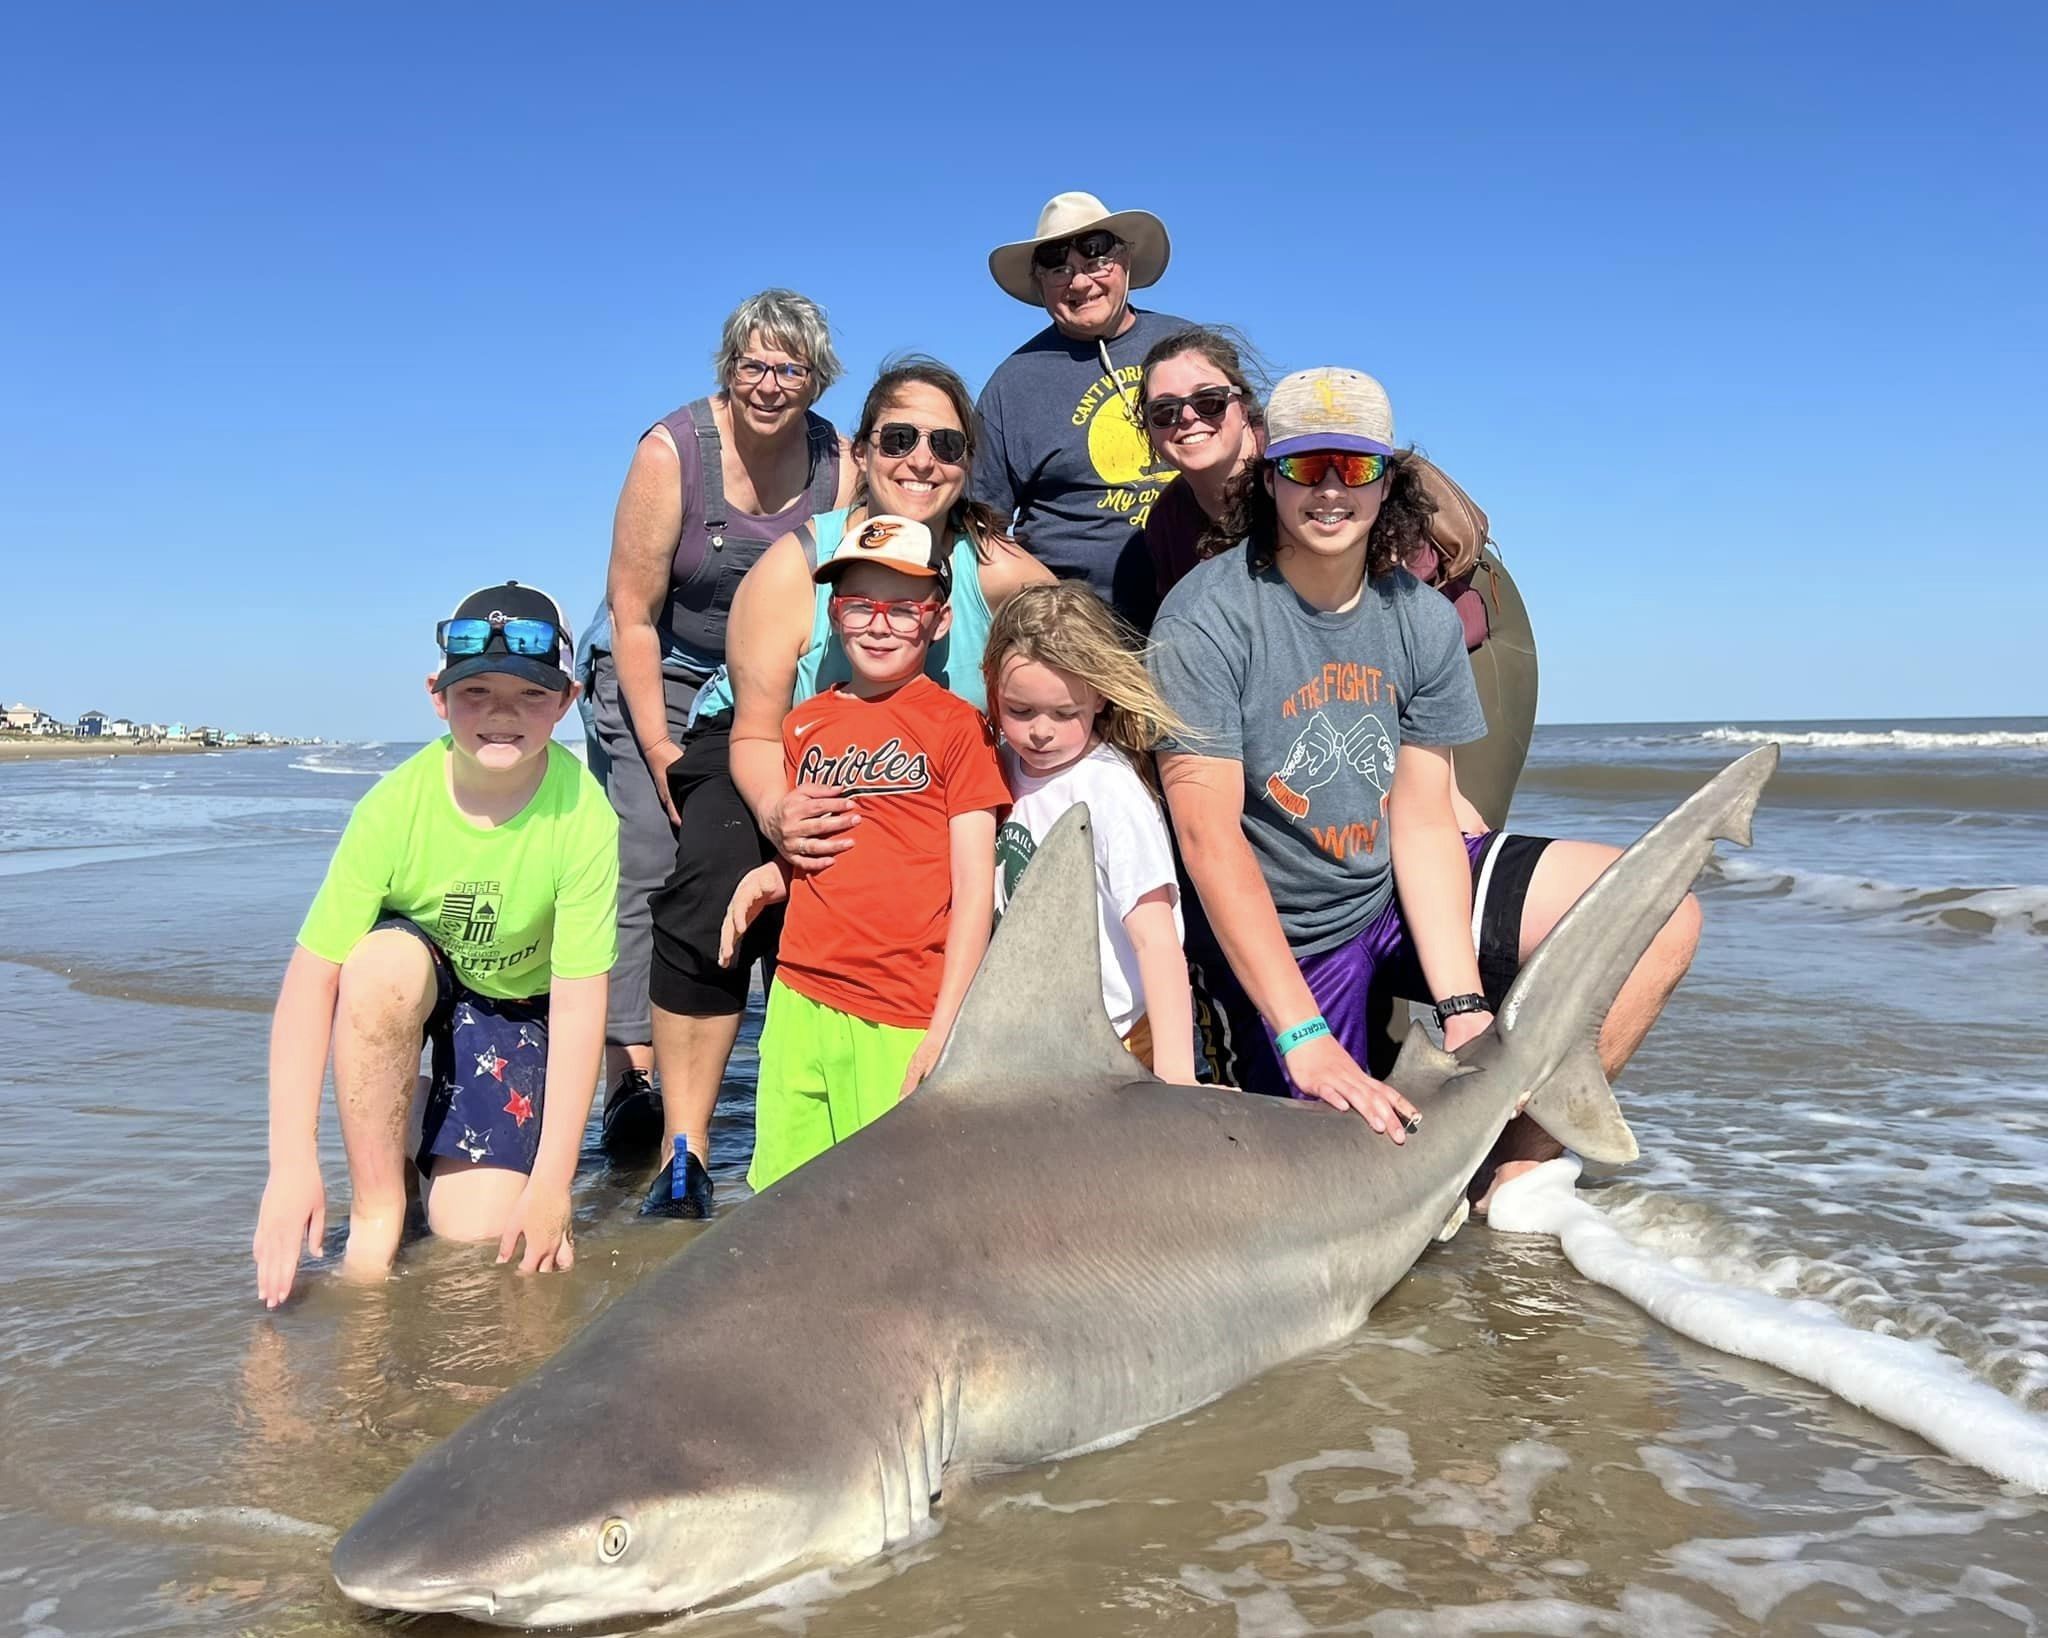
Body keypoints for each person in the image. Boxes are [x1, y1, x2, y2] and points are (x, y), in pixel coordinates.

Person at [1147, 369, 1699, 1203]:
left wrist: (1463, 1005)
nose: (1330, 492)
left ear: (1387, 482)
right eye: (1305, 467)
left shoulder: (1421, 618)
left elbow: (1423, 821)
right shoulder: (1206, 617)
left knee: (1660, 916)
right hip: (1289, 936)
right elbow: (1207, 839)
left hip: (1391, 897)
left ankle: (1511, 1168)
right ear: (1268, 478)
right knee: (1330, 1192)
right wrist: (1303, 1036)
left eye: (1355, 468)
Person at [641, 358, 1051, 1217]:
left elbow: (1081, 647)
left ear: (967, 461)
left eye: (945, 443)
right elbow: (754, 730)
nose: (921, 459)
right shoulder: (798, 566)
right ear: (861, 453)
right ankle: (686, 1144)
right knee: (712, 876)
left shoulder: (994, 565)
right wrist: (776, 816)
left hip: (914, 755)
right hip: (774, 745)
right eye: (899, 438)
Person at [252, 583, 618, 1306]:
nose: (501, 712)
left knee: (471, 1233)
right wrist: (290, 1163)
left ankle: (423, 1114)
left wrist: (552, 1184)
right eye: (475, 690)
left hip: (519, 1011)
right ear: (437, 696)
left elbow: (579, 1007)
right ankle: (380, 1208)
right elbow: (309, 983)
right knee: (378, 964)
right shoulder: (391, 808)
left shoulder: (584, 818)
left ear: (568, 700)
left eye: (531, 694)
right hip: (419, 985)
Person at [577, 290, 853, 1164]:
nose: (770, 384)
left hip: (772, 668)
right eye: (753, 365)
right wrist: (659, 747)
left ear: (817, 379)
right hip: (660, 661)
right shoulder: (672, 452)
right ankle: (633, 1079)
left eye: (791, 368)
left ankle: (787, 1049)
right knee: (651, 856)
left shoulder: (836, 460)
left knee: (782, 849)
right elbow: (630, 611)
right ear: (727, 370)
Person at [716, 518, 1011, 1191]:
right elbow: (840, 844)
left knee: (894, 1204)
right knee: (783, 1200)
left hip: (903, 1012)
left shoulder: (959, 729)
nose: (880, 625)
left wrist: (945, 1029)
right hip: (797, 996)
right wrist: (774, 874)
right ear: (833, 614)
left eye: (903, 609)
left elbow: (973, 891)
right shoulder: (804, 723)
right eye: (859, 605)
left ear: (936, 622)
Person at [982, 583, 1195, 1084]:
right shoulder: (999, 762)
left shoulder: (1111, 791)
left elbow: (1157, 942)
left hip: (1118, 1044)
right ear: (991, 684)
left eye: (1064, 714)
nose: (1040, 731)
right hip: (1036, 1045)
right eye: (1020, 710)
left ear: (1099, 696)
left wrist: (1178, 1080)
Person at [971, 192, 1191, 624]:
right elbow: (981, 527)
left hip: (1200, 613)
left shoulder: (1186, 349)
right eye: (1059, 268)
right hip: (1073, 629)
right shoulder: (1010, 385)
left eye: (1097, 260)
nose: (1080, 283)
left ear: (1126, 261)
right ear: (1038, 282)